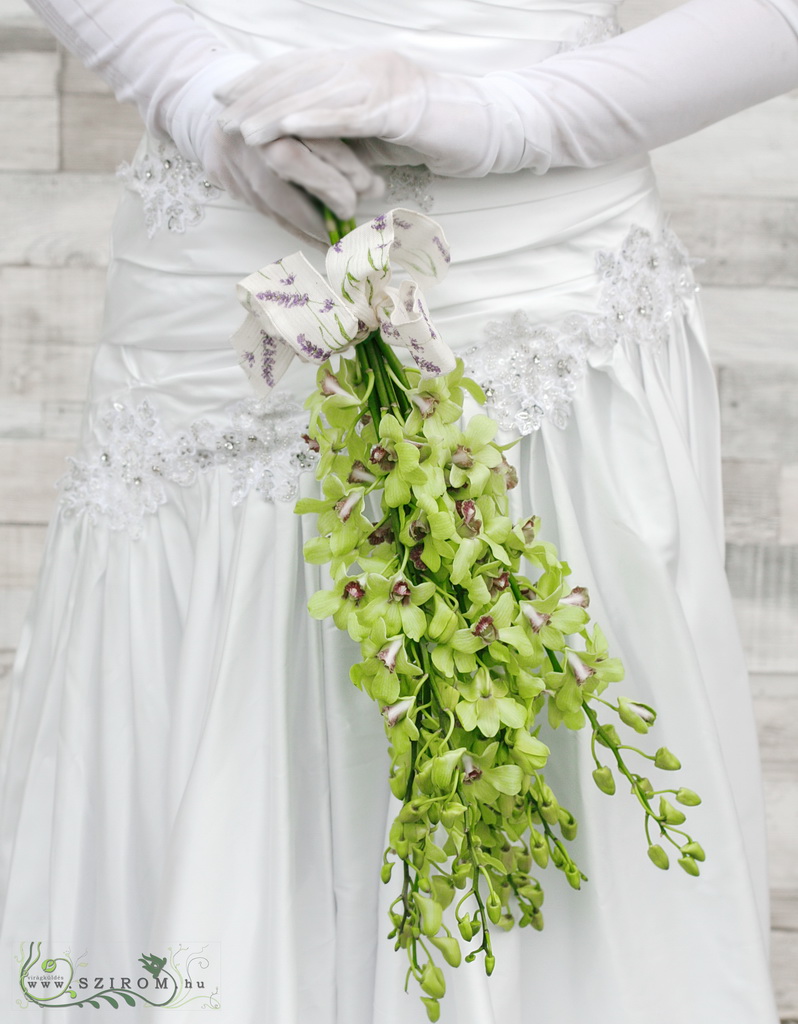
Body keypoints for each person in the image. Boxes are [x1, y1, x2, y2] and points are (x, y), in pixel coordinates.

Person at [1, 0, 796, 1021]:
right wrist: (188, 85)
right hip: (214, 277)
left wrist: (518, 116)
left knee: (549, 796)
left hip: (541, 273)